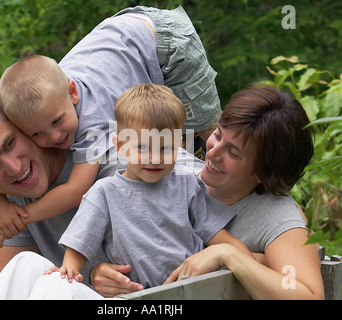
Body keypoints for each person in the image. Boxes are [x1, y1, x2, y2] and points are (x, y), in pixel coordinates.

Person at [0, 5, 221, 245]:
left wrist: (19, 219)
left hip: (164, 42)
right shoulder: (47, 98)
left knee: (205, 136)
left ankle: (238, 193)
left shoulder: (93, 119)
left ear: (72, 93)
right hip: (119, 38)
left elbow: (75, 191)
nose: (55, 136)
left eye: (58, 121)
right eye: (37, 133)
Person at [90, 84, 325, 299]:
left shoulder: (278, 219)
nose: (211, 153)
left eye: (233, 153)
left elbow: (309, 295)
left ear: (263, 172)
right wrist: (100, 273)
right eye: (218, 135)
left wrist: (228, 255)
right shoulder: (164, 167)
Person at [43, 84, 251, 289]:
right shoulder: (104, 193)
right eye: (142, 147)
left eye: (165, 147)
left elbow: (216, 234)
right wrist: (68, 269)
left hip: (192, 288)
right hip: (138, 294)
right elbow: (80, 244)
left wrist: (243, 258)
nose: (154, 158)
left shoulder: (187, 184)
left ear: (178, 144)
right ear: (120, 146)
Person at [0, 92, 123, 274]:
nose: (15, 168)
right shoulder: (11, 204)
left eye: (9, 144)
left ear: (21, 124)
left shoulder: (115, 164)